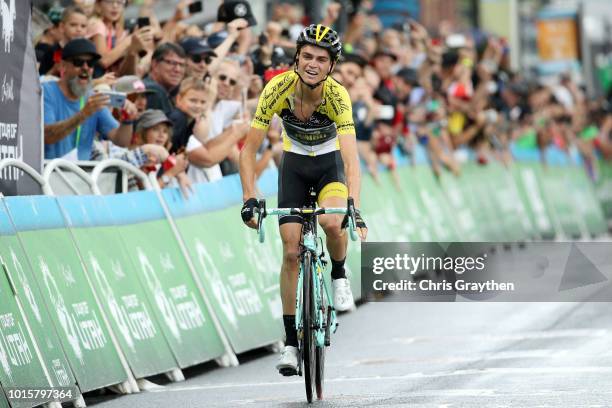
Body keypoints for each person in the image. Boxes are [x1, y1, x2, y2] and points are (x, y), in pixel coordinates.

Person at [239, 24, 368, 376]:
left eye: (321, 59)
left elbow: (351, 161)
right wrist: (250, 197)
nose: (312, 63)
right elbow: (248, 151)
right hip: (294, 163)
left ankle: (339, 273)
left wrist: (353, 206)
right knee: (291, 249)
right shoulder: (276, 88)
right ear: (297, 58)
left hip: (328, 165)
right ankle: (291, 345)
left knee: (331, 220)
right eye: (307, 56)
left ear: (331, 66)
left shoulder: (338, 97)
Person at [43, 38, 136, 160]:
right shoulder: (46, 92)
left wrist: (127, 120)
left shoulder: (93, 98)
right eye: (78, 62)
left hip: (82, 174)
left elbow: (120, 141)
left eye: (91, 63)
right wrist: (83, 114)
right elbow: (47, 136)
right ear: (63, 65)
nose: (85, 67)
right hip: (49, 173)